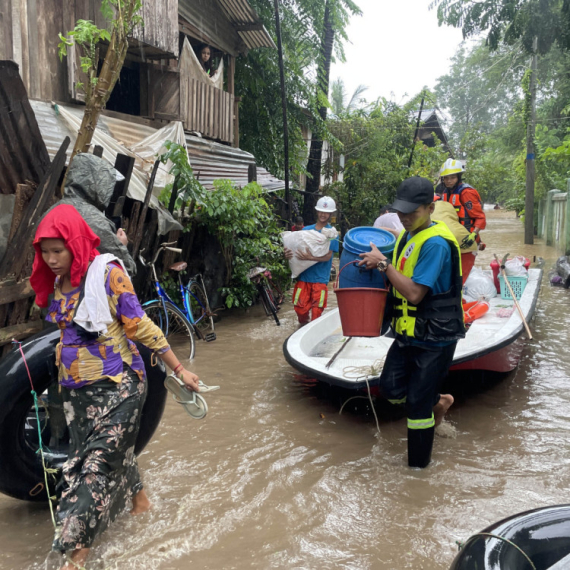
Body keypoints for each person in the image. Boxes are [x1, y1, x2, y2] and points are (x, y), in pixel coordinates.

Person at [30, 205, 200, 570]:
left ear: (75, 244)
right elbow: (64, 334)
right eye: (45, 252)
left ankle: (75, 557)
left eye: (58, 250)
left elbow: (140, 327)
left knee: (94, 467)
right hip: (77, 392)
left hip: (120, 386)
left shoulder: (108, 275)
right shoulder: (59, 284)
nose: (51, 259)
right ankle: (140, 503)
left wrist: (180, 369)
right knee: (107, 454)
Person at [358, 177, 465, 468]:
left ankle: (418, 471)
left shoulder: (436, 244)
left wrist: (384, 264)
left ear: (430, 208)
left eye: (412, 212)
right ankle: (440, 401)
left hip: (435, 337)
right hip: (408, 332)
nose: (404, 218)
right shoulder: (408, 235)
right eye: (401, 212)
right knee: (391, 389)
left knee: (417, 407)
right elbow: (395, 272)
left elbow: (415, 293)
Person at [284, 196, 339, 325]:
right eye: (321, 211)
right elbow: (295, 250)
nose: (323, 214)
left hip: (320, 279)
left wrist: (310, 258)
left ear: (330, 214)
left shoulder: (332, 234)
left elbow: (327, 256)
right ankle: (302, 328)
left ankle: (312, 334)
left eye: (326, 212)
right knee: (300, 309)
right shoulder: (305, 230)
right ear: (317, 212)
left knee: (317, 312)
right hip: (304, 277)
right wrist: (287, 254)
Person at [439, 158, 486, 251]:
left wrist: (474, 234)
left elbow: (480, 217)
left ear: (458, 177)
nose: (449, 181)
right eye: (446, 178)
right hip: (450, 236)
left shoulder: (466, 193)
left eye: (452, 177)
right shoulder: (445, 192)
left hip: (467, 237)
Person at [432, 199, 478, 284]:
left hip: (446, 243)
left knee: (446, 281)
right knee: (459, 281)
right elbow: (464, 225)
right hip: (467, 245)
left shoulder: (424, 210)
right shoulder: (448, 205)